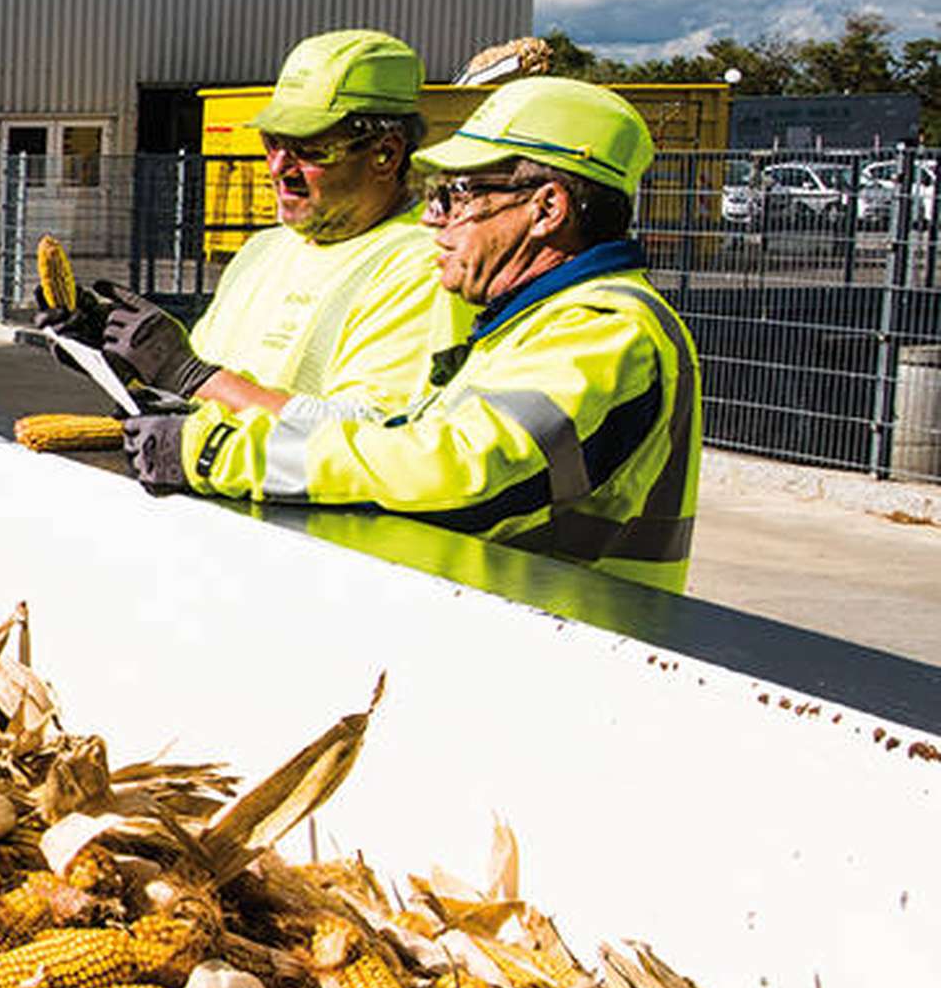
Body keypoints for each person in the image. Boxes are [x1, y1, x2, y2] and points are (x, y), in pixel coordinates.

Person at [125, 77, 702, 598]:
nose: (431, 220)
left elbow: (458, 476)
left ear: (546, 208)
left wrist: (221, 455)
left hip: (585, 655)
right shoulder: (528, 326)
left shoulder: (608, 332)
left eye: (456, 196)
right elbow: (395, 437)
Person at [91, 30, 458, 415]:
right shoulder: (263, 249)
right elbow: (194, 392)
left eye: (309, 149)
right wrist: (129, 361)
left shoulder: (427, 266)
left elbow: (365, 435)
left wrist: (183, 372)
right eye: (272, 143)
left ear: (385, 154)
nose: (280, 167)